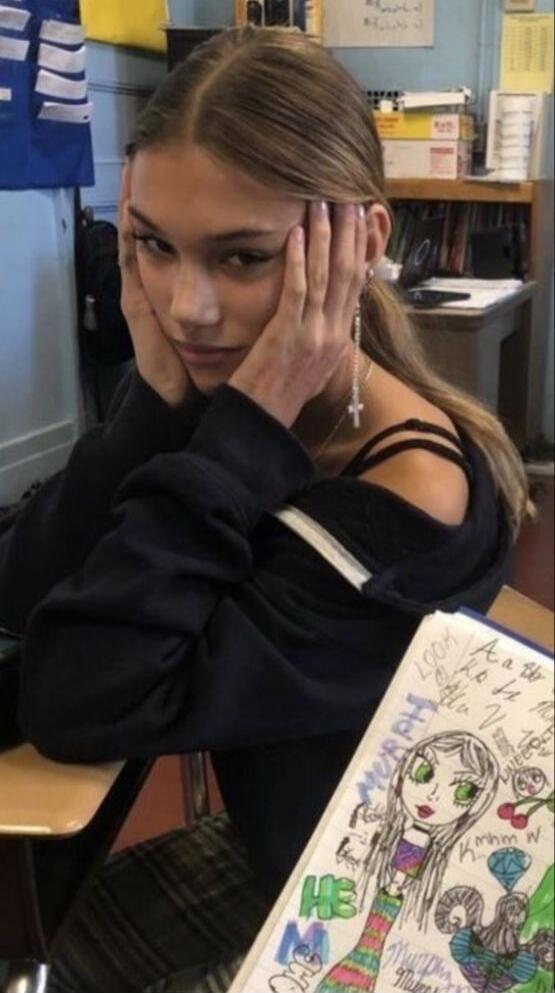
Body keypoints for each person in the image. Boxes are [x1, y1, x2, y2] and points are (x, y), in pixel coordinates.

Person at [0, 25, 529, 993]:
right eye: (154, 244)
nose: (188, 306)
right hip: (274, 851)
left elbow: (80, 695)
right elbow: (24, 590)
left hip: (365, 919)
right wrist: (150, 415)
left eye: (242, 258)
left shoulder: (408, 493)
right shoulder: (220, 393)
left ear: (358, 243)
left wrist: (239, 429)